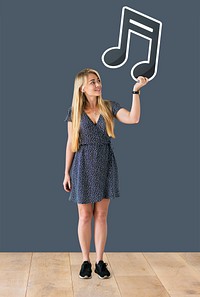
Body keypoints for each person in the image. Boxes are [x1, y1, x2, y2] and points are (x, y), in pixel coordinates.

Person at [63, 68, 149, 279]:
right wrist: (66, 172)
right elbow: (70, 143)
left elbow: (133, 118)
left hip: (105, 163)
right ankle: (85, 261)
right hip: (82, 164)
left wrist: (136, 92)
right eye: (92, 82)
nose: (98, 84)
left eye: (99, 80)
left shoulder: (109, 106)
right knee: (84, 216)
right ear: (82, 88)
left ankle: (100, 261)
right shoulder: (74, 111)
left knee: (101, 215)